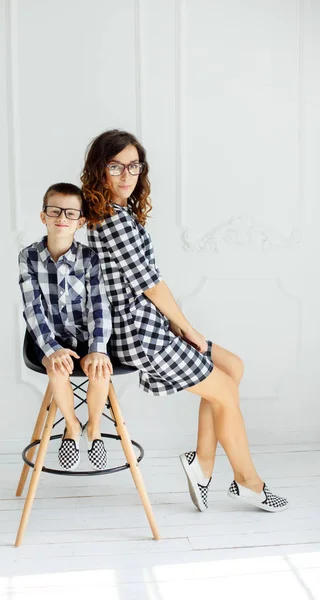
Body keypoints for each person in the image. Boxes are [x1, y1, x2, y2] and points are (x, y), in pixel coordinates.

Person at [81, 130, 288, 512]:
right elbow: (150, 284)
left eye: (133, 166)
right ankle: (247, 482)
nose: (127, 175)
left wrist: (177, 325)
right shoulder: (113, 220)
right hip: (138, 332)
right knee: (224, 390)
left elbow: (147, 284)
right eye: (115, 166)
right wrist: (187, 327)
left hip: (148, 323)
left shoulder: (116, 213)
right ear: (100, 171)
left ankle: (202, 464)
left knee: (232, 367)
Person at [18, 182, 113, 471]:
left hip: (86, 337)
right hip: (47, 338)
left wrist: (98, 349)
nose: (62, 217)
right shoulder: (29, 257)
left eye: (71, 213)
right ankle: (71, 426)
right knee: (56, 367)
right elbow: (32, 307)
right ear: (43, 216)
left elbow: (99, 305)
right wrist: (51, 348)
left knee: (99, 370)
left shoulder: (90, 259)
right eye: (55, 210)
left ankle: (94, 428)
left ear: (81, 221)